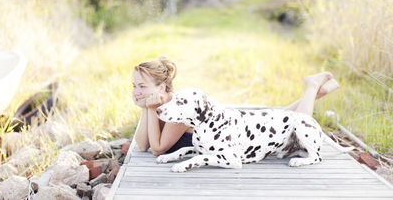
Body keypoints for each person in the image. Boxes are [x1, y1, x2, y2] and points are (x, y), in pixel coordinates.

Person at [133, 56, 339, 156]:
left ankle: (312, 86)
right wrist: (146, 108)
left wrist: (150, 109)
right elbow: (143, 145)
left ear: (162, 88)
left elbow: (158, 149)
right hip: (234, 124)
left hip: (236, 132)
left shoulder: (178, 108)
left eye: (142, 86)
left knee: (291, 124)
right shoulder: (158, 104)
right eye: (134, 86)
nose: (136, 91)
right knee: (281, 114)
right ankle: (315, 93)